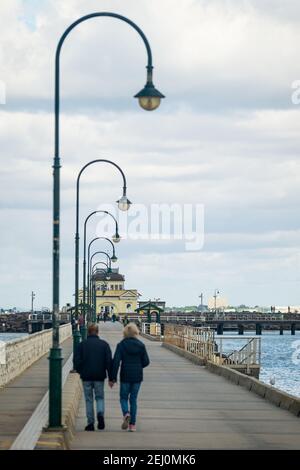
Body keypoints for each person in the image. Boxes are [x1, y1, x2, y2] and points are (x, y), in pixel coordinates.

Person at [111, 323, 150, 432]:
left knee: (123, 398)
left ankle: (126, 413)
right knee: (133, 400)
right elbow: (146, 362)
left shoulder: (121, 345)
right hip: (137, 376)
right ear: (136, 332)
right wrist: (138, 366)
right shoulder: (141, 345)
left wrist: (112, 378)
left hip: (125, 376)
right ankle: (132, 425)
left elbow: (116, 362)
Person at [74, 323, 113, 431]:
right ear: (97, 332)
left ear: (88, 332)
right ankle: (100, 414)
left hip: (86, 376)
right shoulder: (104, 345)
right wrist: (111, 377)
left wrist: (80, 370)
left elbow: (76, 361)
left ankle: (90, 423)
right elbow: (109, 362)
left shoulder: (82, 345)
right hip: (99, 376)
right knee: (99, 397)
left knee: (89, 399)